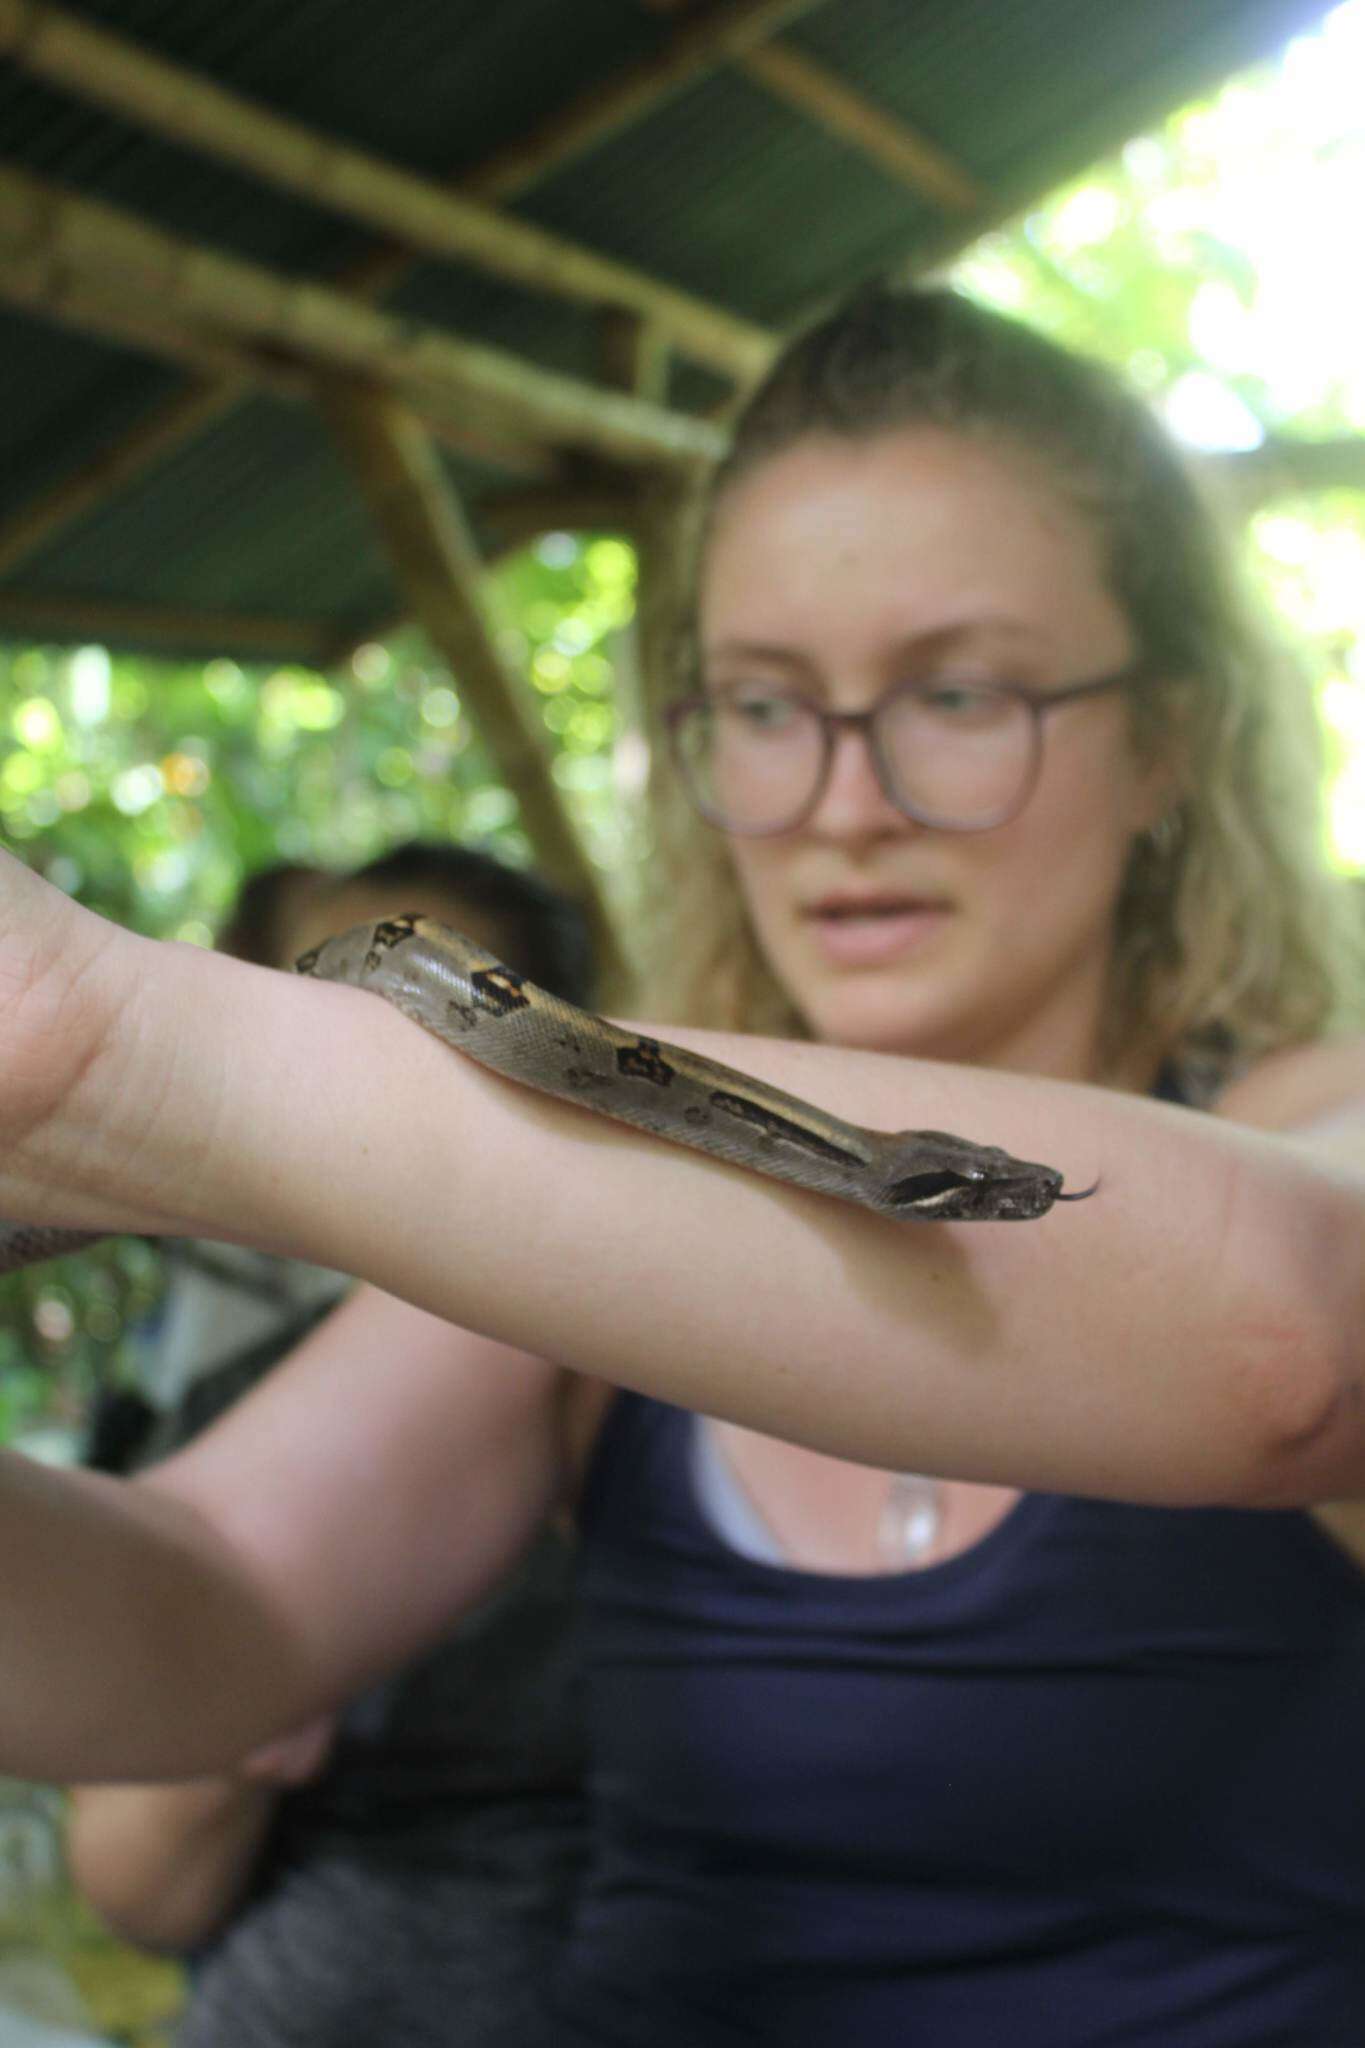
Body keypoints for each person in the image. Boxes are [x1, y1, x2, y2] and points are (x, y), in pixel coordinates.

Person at [2, 284, 1365, 2044]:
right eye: (765, 706)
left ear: (1167, 737)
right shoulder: (560, 1207)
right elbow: (213, 1605)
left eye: (954, 691)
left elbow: (1300, 1335)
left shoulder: (1317, 1120)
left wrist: (103, 1046)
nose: (843, 798)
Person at [66, 844, 594, 2048]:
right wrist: (234, 1726)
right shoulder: (240, 1402)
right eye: (329, 1007)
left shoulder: (662, 1362)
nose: (381, 1048)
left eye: (451, 999)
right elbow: (139, 1888)